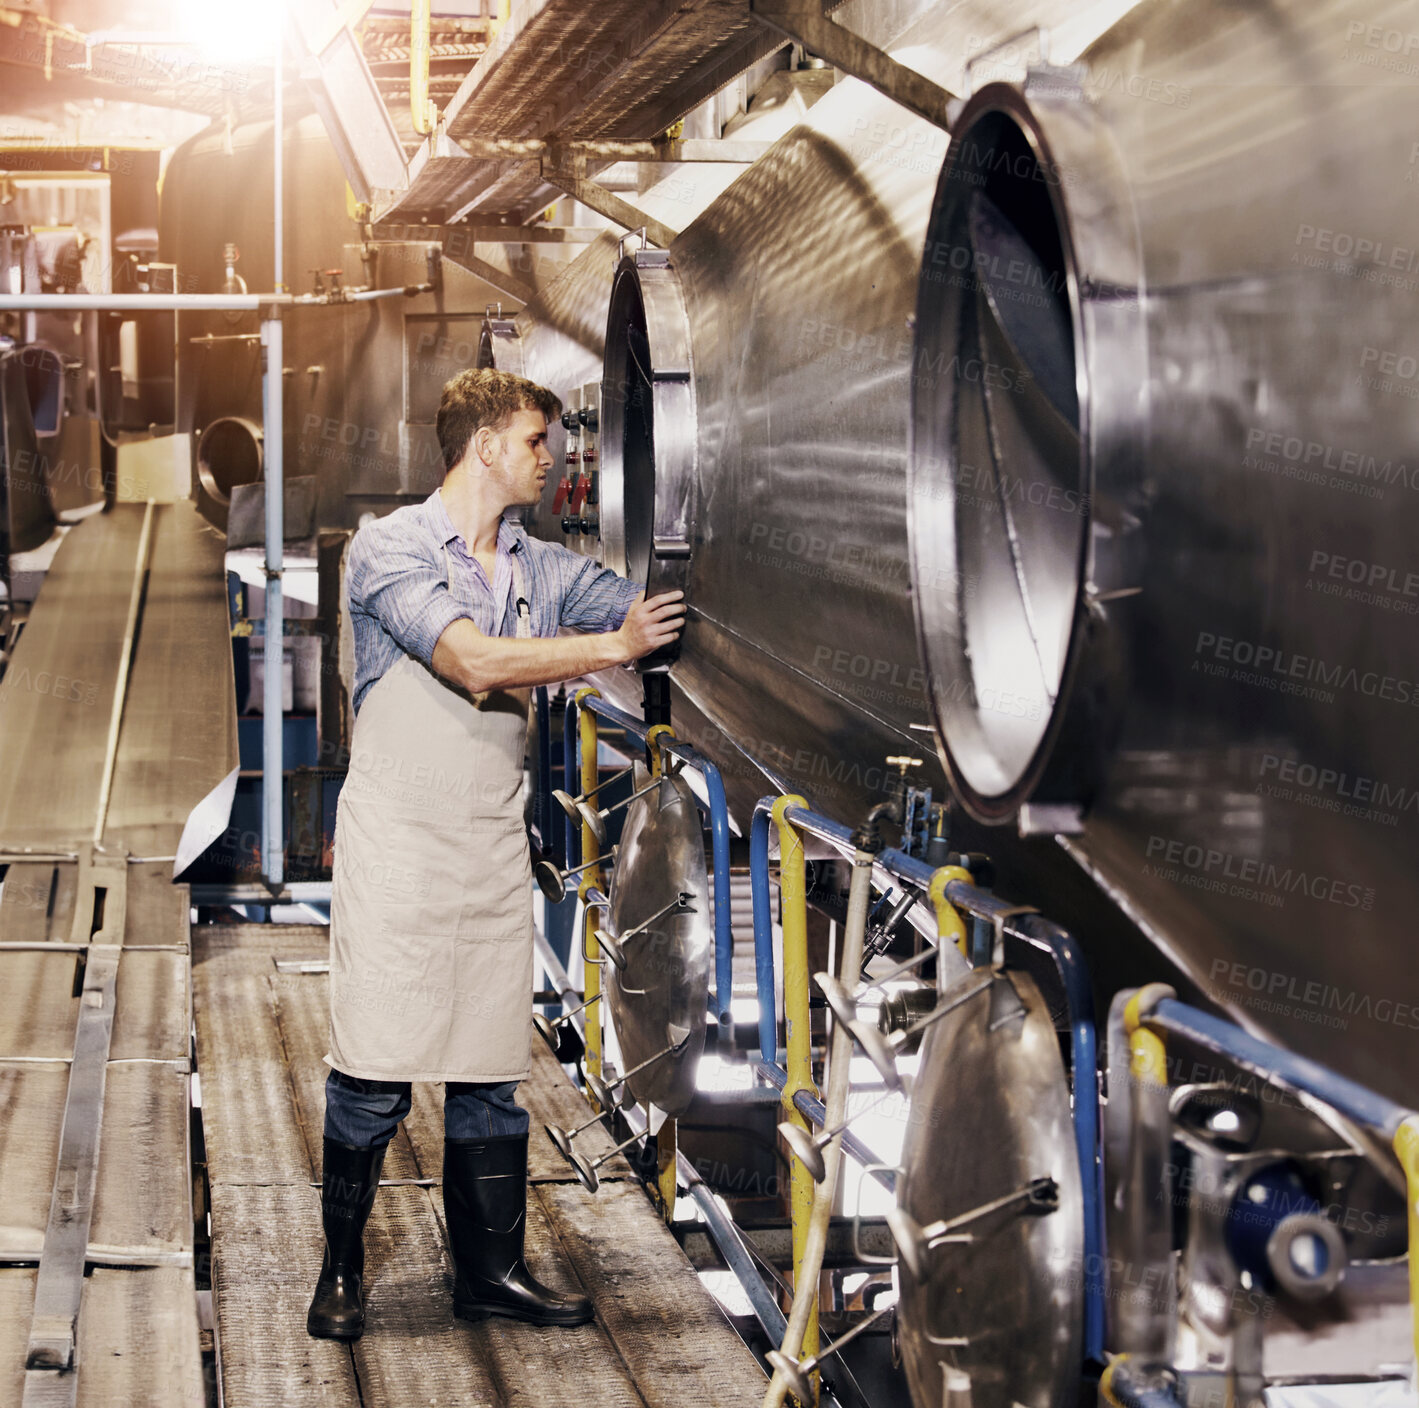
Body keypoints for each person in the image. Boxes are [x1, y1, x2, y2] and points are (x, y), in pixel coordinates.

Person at [307, 368, 685, 1339]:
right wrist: (609, 648)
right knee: (374, 1070)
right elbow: (469, 659)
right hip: (400, 843)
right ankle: (340, 1273)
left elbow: (648, 611)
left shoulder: (545, 569)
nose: (550, 456)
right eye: (533, 440)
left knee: (487, 1073)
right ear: (483, 446)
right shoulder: (390, 549)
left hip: (486, 849)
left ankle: (490, 1272)